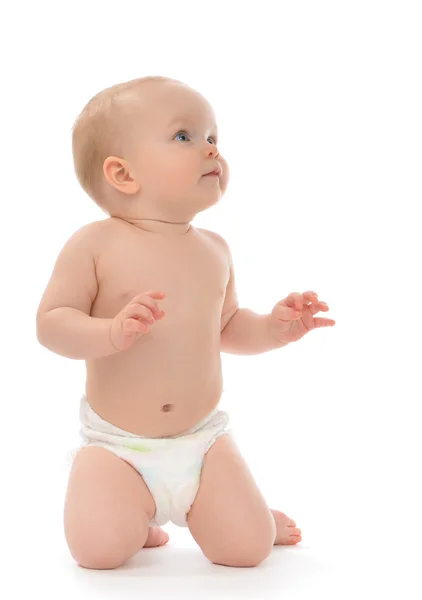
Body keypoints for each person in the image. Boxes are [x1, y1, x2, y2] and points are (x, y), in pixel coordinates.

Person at [36, 76, 335, 570]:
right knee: (97, 553)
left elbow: (228, 327)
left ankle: (247, 516)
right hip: (119, 447)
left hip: (201, 442)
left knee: (247, 550)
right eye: (185, 136)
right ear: (123, 174)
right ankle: (134, 508)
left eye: (213, 137)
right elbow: (51, 324)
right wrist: (109, 332)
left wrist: (276, 329)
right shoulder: (94, 245)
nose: (211, 150)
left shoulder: (214, 250)